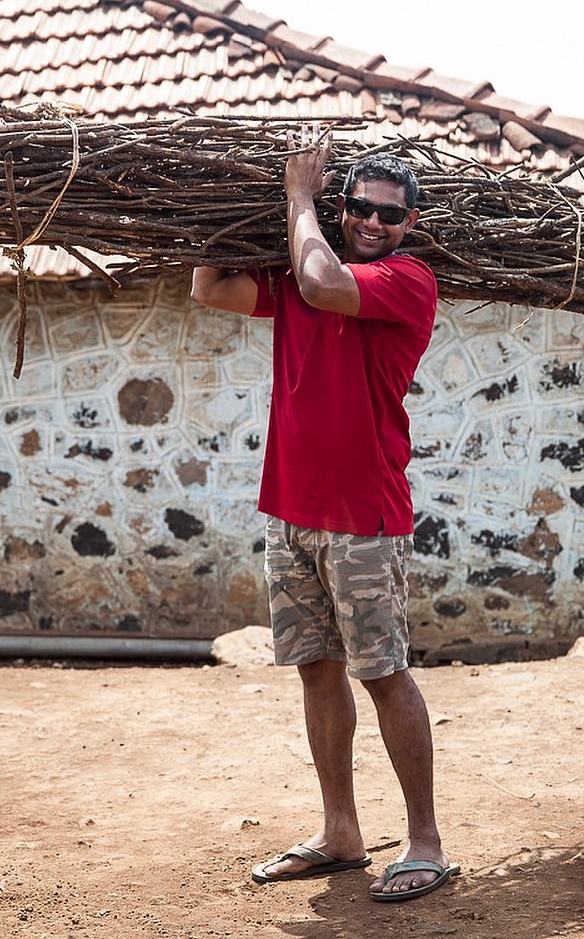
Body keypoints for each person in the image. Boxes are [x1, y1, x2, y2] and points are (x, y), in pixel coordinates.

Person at [191, 129, 458, 903]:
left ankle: (425, 842)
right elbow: (210, 287)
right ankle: (340, 830)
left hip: (363, 516)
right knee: (315, 668)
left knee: (382, 672)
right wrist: (221, 212)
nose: (374, 222)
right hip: (289, 509)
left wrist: (296, 197)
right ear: (345, 208)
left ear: (410, 224)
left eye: (390, 214)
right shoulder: (299, 271)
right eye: (361, 208)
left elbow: (320, 282)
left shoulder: (405, 280)